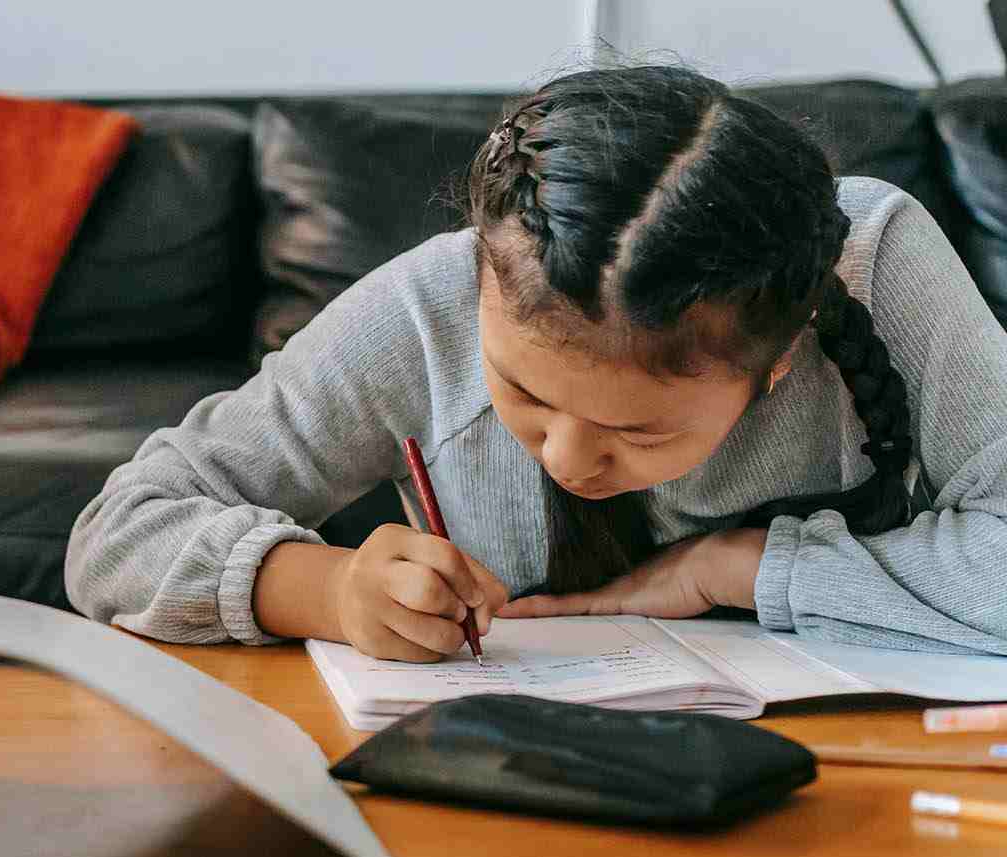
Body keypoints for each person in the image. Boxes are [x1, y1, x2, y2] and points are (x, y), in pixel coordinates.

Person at [64, 64, 1007, 663]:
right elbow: (117, 535)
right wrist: (326, 590)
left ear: (777, 366)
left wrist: (736, 568)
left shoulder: (871, 261)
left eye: (637, 431)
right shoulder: (431, 306)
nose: (563, 461)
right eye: (523, 393)